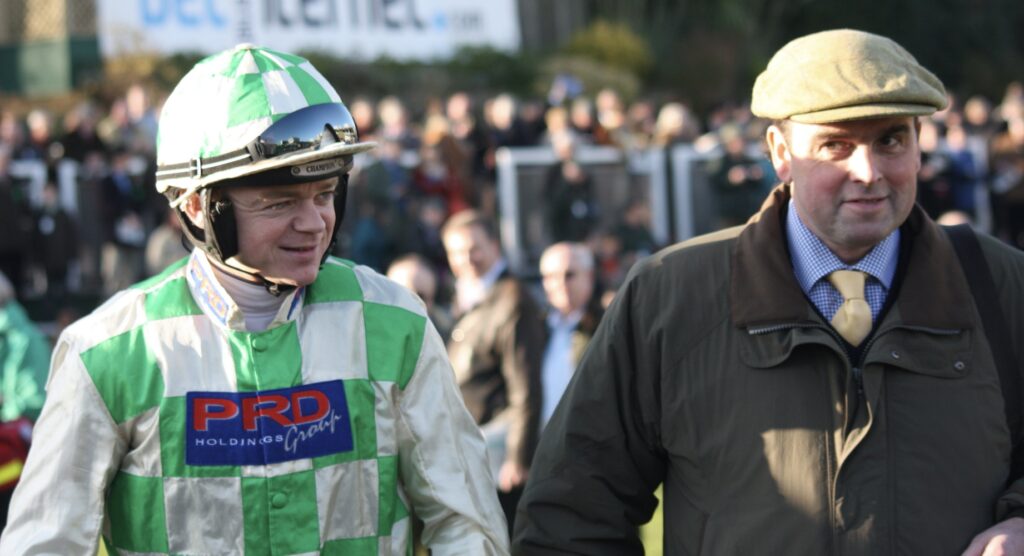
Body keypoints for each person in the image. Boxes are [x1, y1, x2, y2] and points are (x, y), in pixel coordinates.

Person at [514, 29, 1024, 555]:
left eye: (890, 140)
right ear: (781, 153)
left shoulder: (1002, 285)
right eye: (836, 144)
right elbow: (569, 516)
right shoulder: (668, 297)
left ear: (920, 145)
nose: (868, 172)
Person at [0, 44, 508, 555]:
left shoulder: (397, 323)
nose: (313, 224)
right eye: (279, 202)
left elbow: (466, 523)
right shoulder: (105, 351)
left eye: (325, 194)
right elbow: (44, 543)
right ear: (198, 206)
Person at [441, 210, 545, 533]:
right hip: (471, 450)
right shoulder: (467, 297)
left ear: (495, 245)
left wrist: (518, 456)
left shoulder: (512, 299)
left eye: (474, 248)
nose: (466, 258)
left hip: (500, 458)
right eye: (456, 252)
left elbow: (526, 385)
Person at [537, 242, 602, 429]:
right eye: (551, 277)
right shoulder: (537, 326)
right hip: (542, 440)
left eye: (569, 275)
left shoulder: (606, 325)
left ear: (589, 276)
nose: (560, 284)